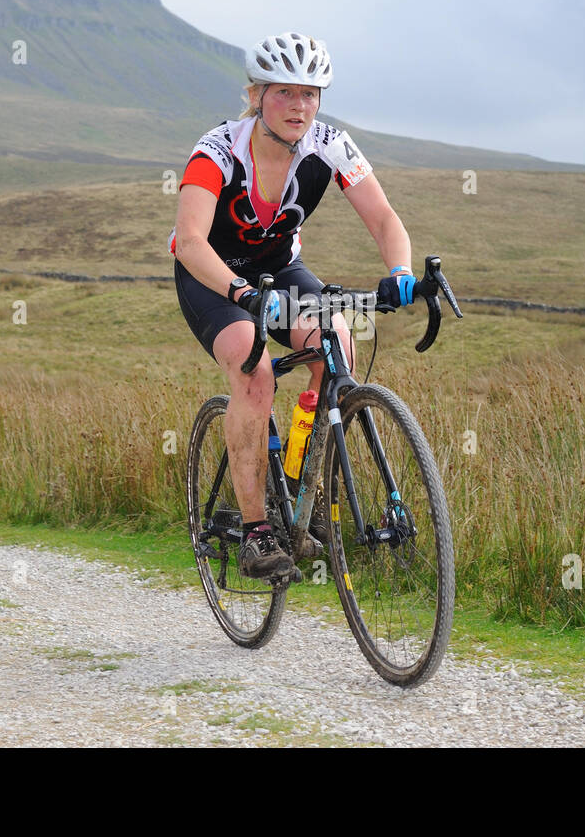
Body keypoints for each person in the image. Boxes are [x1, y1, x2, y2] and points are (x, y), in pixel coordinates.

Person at [168, 32, 420, 579]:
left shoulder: (330, 144)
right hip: (212, 273)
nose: (299, 106)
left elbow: (383, 219)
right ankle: (257, 529)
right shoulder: (217, 149)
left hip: (279, 270)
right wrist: (240, 293)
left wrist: (400, 271)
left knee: (338, 349)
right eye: (285, 92)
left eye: (310, 94)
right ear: (257, 95)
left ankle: (308, 485)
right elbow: (190, 242)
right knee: (254, 370)